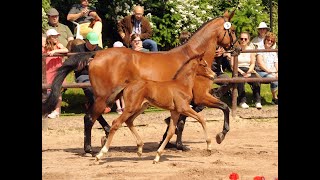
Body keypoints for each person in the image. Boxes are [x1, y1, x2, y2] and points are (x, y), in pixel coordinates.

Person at [70, 31, 111, 114]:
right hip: (83, 74)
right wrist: (86, 64)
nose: (93, 46)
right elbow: (76, 66)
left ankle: (101, 105)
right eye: (92, 43)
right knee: (89, 87)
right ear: (86, 41)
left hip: (97, 75)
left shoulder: (99, 50)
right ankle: (94, 105)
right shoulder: (78, 49)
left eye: (95, 44)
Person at [230, 32, 262, 109]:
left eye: (245, 39)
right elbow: (232, 64)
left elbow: (252, 63)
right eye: (241, 39)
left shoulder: (251, 50)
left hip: (248, 69)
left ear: (248, 40)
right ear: (239, 39)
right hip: (238, 69)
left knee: (256, 80)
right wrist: (241, 72)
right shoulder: (235, 49)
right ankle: (242, 101)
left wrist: (248, 72)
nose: (243, 40)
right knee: (240, 80)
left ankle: (258, 101)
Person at [42, 29, 69, 118]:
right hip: (48, 72)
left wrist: (55, 51)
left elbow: (66, 50)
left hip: (58, 71)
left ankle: (56, 110)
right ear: (49, 37)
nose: (56, 38)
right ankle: (48, 110)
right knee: (47, 92)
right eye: (54, 36)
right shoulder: (44, 47)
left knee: (57, 91)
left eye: (57, 36)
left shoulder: (58, 45)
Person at [255, 32, 278, 105]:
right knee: (274, 78)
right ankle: (275, 98)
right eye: (268, 40)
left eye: (272, 41)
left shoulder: (273, 51)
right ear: (265, 40)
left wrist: (277, 72)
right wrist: (270, 72)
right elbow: (260, 64)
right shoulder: (260, 49)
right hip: (261, 71)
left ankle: (275, 98)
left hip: (273, 71)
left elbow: (276, 63)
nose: (270, 42)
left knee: (275, 77)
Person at [112, 41, 126, 114]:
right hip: (116, 76)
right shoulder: (113, 57)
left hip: (121, 75)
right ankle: (119, 107)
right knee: (116, 91)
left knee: (122, 91)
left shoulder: (123, 56)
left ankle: (123, 106)